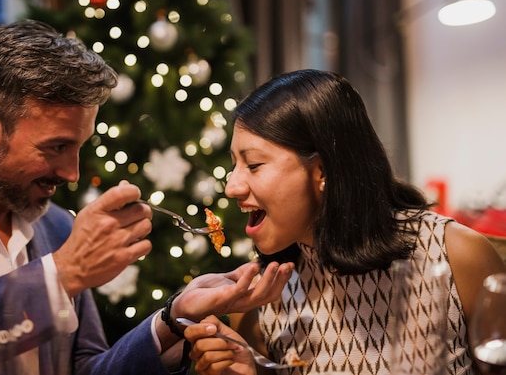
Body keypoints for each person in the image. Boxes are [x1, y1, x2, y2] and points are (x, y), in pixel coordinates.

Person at [0, 19, 295, 375]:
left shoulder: (58, 225)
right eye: (56, 147)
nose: (71, 173)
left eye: (79, 148)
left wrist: (174, 315)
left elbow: (88, 368)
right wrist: (59, 276)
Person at [182, 69, 506, 375]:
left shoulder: (454, 255)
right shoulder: (259, 300)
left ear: (322, 171)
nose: (232, 186)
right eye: (234, 164)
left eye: (253, 165)